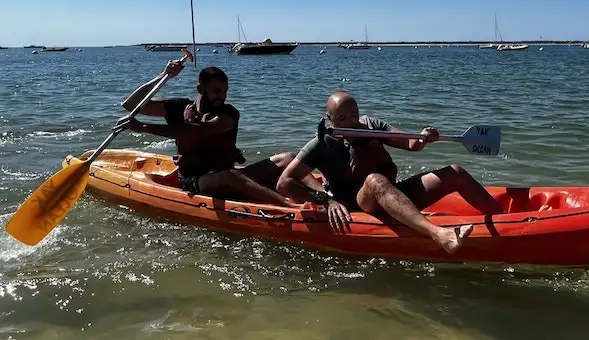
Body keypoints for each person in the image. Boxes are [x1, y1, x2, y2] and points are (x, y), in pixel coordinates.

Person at [276, 91, 504, 253]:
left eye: (354, 115)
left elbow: (410, 144)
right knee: (375, 180)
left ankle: (507, 223)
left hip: (389, 193)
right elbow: (285, 182)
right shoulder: (320, 143)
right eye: (342, 118)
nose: (351, 122)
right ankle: (439, 234)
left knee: (455, 172)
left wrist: (423, 137)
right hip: (356, 204)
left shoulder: (371, 126)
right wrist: (326, 201)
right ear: (330, 119)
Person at [114, 59, 299, 206]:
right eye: (216, 91)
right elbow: (131, 104)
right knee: (229, 175)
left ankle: (323, 196)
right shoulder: (179, 108)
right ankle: (292, 207)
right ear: (200, 89)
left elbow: (197, 132)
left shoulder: (228, 113)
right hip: (196, 181)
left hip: (229, 175)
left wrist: (143, 127)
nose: (222, 96)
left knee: (288, 158)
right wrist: (164, 75)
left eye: (225, 91)